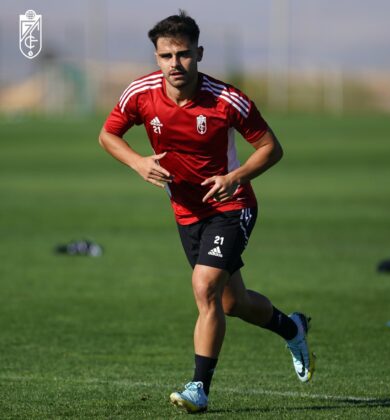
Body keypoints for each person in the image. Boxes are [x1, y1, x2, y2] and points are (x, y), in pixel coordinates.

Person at [99, 11, 315, 413]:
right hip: (186, 212)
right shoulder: (140, 93)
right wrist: (136, 162)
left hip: (232, 207)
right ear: (156, 57)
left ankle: (199, 388)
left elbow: (271, 148)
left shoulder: (226, 100)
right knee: (233, 303)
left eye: (183, 54)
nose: (175, 64)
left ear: (199, 53)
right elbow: (108, 134)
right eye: (166, 56)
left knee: (204, 288)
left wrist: (236, 175)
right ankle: (293, 327)